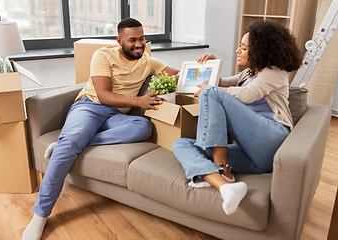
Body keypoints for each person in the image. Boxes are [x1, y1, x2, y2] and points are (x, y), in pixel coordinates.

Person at [22, 18, 179, 240]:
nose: (138, 44)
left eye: (141, 38)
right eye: (132, 40)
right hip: (90, 106)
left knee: (143, 126)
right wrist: (140, 102)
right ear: (119, 40)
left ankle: (68, 145)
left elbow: (179, 75)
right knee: (75, 137)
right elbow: (104, 95)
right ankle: (40, 214)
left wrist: (203, 65)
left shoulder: (149, 62)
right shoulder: (103, 55)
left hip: (117, 116)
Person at [172, 20, 302, 216]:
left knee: (211, 93)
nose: (237, 50)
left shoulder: (275, 72)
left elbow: (248, 94)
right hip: (253, 156)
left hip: (273, 141)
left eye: (243, 47)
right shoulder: (249, 73)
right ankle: (225, 186)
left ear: (260, 50)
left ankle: (222, 168)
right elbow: (223, 84)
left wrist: (212, 89)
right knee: (180, 144)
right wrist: (212, 65)